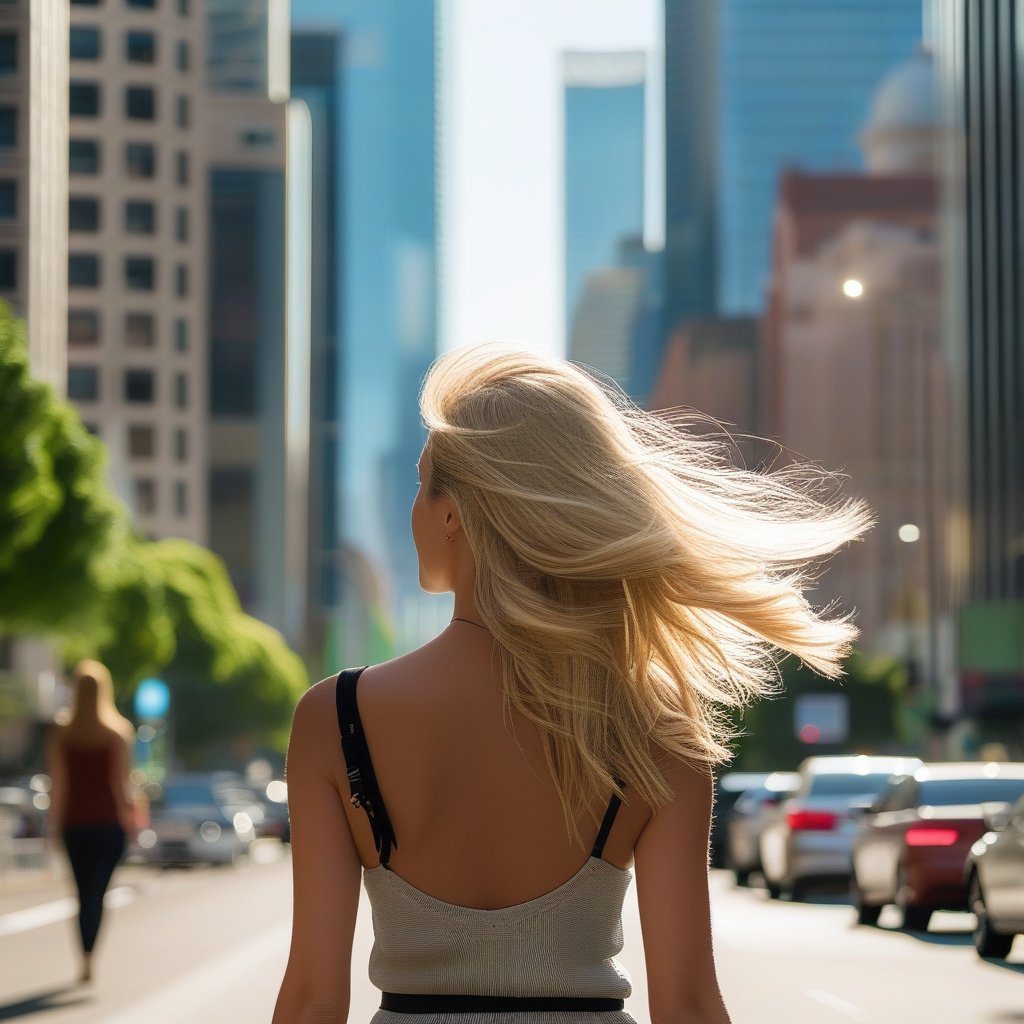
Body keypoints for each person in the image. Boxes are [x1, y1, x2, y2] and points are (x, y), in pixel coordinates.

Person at [273, 345, 874, 1024]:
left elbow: (313, 999)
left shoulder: (335, 717)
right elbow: (687, 1004)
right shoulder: (655, 725)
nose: (414, 509)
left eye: (420, 484)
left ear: (453, 515)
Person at [46, 659, 137, 985]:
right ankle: (90, 959)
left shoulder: (63, 734)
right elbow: (122, 784)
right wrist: (135, 818)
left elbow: (58, 785)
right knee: (97, 894)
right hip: (108, 826)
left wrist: (53, 827)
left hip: (75, 825)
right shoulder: (117, 732)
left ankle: (84, 960)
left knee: (82, 894)